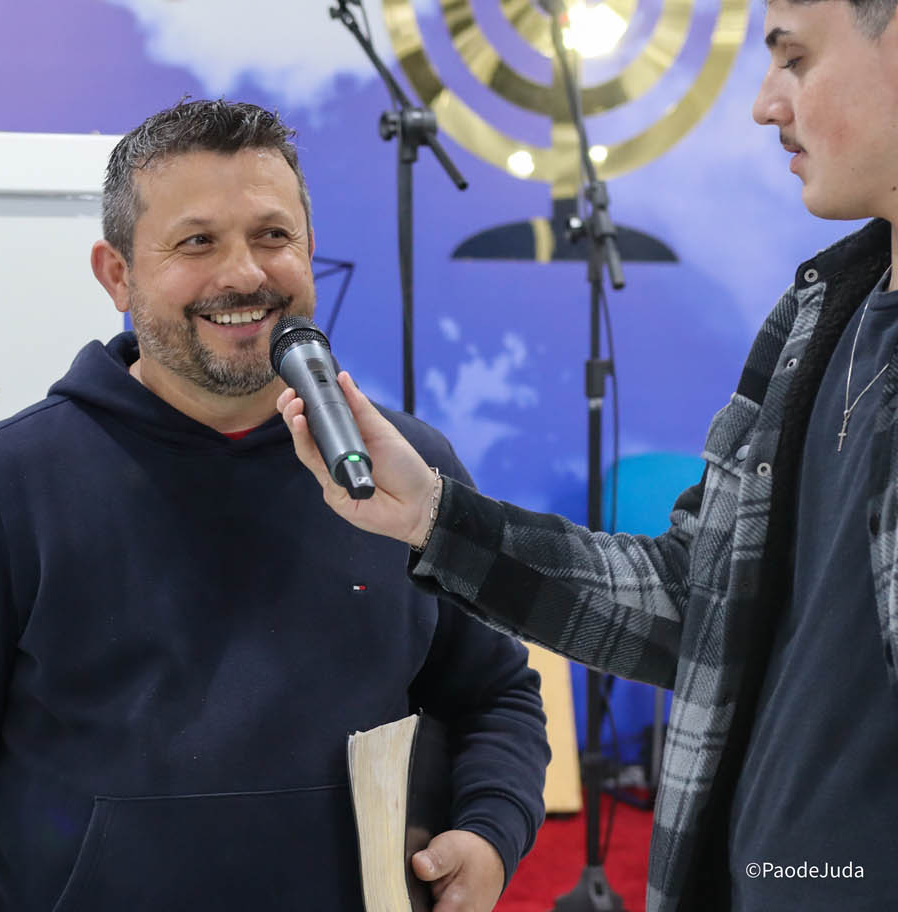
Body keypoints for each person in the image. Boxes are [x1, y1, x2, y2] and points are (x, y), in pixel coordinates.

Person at [0, 100, 549, 912]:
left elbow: (495, 695)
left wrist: (490, 831)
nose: (245, 275)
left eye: (273, 235)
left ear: (309, 251)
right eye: (197, 242)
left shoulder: (405, 472)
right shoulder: (5, 487)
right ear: (117, 274)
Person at [278, 2, 898, 910]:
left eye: (795, 59)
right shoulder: (815, 317)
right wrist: (436, 518)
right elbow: (695, 603)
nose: (766, 104)